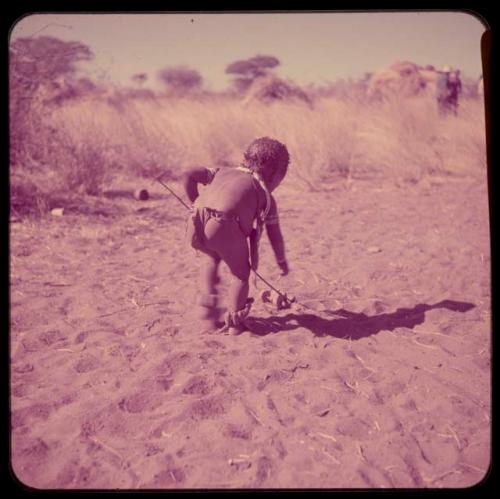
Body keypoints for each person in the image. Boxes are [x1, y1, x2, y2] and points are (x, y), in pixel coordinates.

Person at [183, 137, 290, 334]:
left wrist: (194, 202)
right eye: (280, 178)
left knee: (211, 259)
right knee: (241, 275)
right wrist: (282, 261)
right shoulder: (265, 194)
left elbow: (189, 172)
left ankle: (207, 310)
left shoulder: (220, 172)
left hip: (193, 223)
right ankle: (235, 323)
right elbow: (275, 236)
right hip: (224, 225)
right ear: (271, 172)